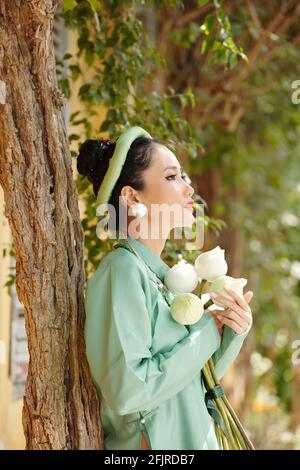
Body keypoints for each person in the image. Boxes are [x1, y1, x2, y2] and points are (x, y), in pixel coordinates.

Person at [77, 126, 253, 450]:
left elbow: (189, 385)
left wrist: (230, 331)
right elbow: (128, 391)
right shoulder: (122, 272)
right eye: (172, 177)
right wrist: (206, 333)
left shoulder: (161, 278)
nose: (189, 189)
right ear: (132, 197)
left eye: (183, 176)